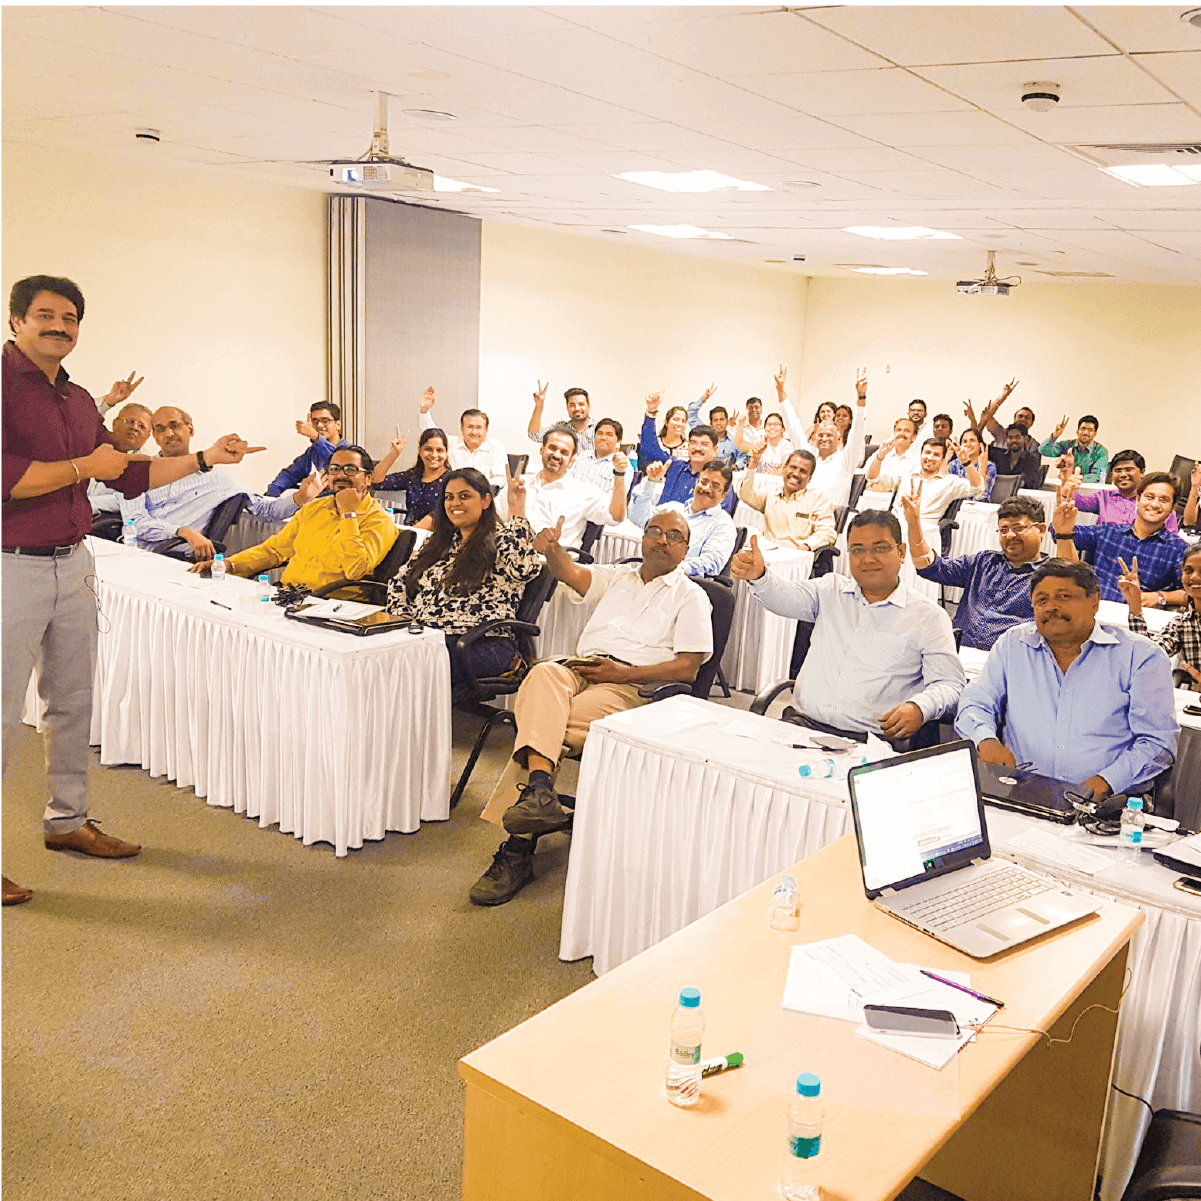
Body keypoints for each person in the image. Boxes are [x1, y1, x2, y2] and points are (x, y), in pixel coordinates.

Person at [2, 273, 262, 906]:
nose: (59, 326)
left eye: (69, 318)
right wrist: (82, 468)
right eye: (45, 316)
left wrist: (205, 459)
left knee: (71, 702)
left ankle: (67, 821)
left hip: (74, 561)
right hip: (11, 566)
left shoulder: (80, 398)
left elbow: (129, 477)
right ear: (16, 322)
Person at [469, 507, 712, 905]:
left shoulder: (692, 597)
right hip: (580, 668)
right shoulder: (619, 576)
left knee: (544, 728)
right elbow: (572, 574)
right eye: (655, 531)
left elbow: (688, 667)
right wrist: (550, 550)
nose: (662, 540)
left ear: (686, 548)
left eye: (674, 536)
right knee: (541, 674)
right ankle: (541, 792)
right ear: (643, 538)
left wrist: (622, 674)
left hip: (632, 684)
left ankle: (517, 847)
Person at [731, 511, 965, 741]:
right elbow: (782, 596)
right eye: (857, 550)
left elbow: (951, 684)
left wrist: (920, 707)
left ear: (901, 551)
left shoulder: (928, 616)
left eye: (880, 548)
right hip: (803, 728)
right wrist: (760, 576)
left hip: (870, 742)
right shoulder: (830, 591)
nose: (868, 558)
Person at [955, 559, 1177, 800]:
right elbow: (976, 700)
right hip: (1020, 792)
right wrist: (985, 739)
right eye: (1042, 600)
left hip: (1105, 805)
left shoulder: (1139, 655)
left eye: (1063, 597)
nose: (1051, 607)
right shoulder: (1013, 644)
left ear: (1095, 601)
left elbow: (1158, 742)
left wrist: (1104, 783)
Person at [385, 467, 542, 698]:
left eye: (464, 496)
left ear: (486, 500)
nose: (455, 503)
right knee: (376, 655)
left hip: (479, 643)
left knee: (404, 664)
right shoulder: (440, 542)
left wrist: (517, 511)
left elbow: (525, 568)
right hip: (427, 636)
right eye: (449, 497)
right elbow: (399, 581)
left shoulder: (501, 540)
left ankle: (415, 731)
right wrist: (403, 619)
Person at [190, 445, 397, 592]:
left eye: (351, 469)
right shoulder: (314, 508)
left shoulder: (379, 521)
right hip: (290, 598)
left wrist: (349, 515)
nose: (341, 475)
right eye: (334, 469)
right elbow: (274, 550)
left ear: (368, 478)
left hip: (333, 607)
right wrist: (228, 565)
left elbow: (356, 571)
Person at [119, 406, 311, 557]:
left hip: (170, 558)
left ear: (190, 429)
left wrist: (301, 496)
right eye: (160, 429)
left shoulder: (215, 479)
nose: (168, 434)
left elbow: (265, 510)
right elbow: (133, 521)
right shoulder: (139, 470)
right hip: (128, 550)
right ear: (154, 436)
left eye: (175, 425)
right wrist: (182, 531)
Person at [905, 494, 1049, 651]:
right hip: (958, 654)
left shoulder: (1049, 577)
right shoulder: (984, 562)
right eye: (1003, 530)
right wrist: (913, 523)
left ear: (1041, 530)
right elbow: (930, 567)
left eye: (1018, 528)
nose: (1010, 535)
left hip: (1009, 662)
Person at [1053, 472, 1187, 607]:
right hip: (1095, 612)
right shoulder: (1109, 532)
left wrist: (1160, 597)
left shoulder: (1178, 549)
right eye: (1149, 497)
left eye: (1164, 500)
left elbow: (1193, 592)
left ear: (1172, 507)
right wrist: (1063, 527)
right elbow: (1059, 534)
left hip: (1140, 621)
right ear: (1138, 499)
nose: (1155, 504)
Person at [497, 427, 626, 549]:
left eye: (564, 452)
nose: (556, 455)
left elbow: (616, 517)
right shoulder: (519, 484)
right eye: (552, 448)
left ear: (571, 460)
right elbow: (494, 517)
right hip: (510, 560)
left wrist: (619, 474)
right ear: (542, 450)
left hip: (552, 565)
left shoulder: (582, 492)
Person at [1118, 540, 1201, 691]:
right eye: (1188, 570)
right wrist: (1135, 605)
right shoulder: (1182, 623)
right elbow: (1148, 654)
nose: (1194, 577)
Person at [877, 437, 985, 548]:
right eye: (927, 453)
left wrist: (966, 463)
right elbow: (873, 478)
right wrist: (879, 457)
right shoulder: (906, 475)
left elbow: (978, 488)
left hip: (925, 533)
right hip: (894, 529)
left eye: (936, 455)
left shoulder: (950, 482)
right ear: (920, 454)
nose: (930, 458)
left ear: (943, 459)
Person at [786, 369, 868, 507]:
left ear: (838, 437)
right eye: (821, 435)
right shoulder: (809, 457)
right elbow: (793, 427)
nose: (824, 439)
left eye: (829, 435)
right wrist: (782, 393)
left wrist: (861, 397)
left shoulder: (846, 460)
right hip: (802, 514)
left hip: (829, 520)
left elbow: (858, 431)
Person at [629, 425, 736, 522]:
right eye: (693, 443)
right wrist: (651, 413)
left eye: (704, 444)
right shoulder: (675, 466)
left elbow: (719, 519)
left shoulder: (719, 481)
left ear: (714, 450)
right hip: (660, 527)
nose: (697, 448)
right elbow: (650, 447)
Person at [738, 449, 836, 553]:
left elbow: (827, 531)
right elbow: (745, 494)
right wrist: (753, 464)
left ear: (810, 477)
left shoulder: (818, 499)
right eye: (793, 467)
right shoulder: (770, 493)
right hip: (766, 554)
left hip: (795, 557)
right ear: (784, 468)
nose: (796, 474)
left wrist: (807, 545)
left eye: (803, 471)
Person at [417, 384, 508, 487]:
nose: (474, 432)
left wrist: (476, 487)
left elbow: (501, 479)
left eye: (478, 427)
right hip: (453, 496)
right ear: (462, 428)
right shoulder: (451, 443)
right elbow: (431, 433)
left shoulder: (496, 446)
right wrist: (424, 411)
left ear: (486, 430)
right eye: (469, 427)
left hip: (483, 496)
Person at [1074, 449, 1183, 533]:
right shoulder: (1103, 497)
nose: (1123, 474)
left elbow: (1172, 543)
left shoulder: (1156, 505)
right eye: (1118, 470)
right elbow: (1071, 500)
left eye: (1128, 470)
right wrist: (1066, 478)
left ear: (1142, 472)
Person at [659, 461, 737, 578]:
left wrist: (678, 569)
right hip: (655, 573)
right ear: (696, 483)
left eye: (715, 486)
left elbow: (712, 563)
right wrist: (651, 482)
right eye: (703, 482)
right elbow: (638, 516)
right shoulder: (673, 508)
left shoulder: (723, 524)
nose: (706, 489)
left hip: (685, 583)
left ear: (723, 495)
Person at [265, 401, 349, 496]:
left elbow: (337, 459)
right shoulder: (313, 451)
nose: (319, 425)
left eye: (325, 421)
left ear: (338, 425)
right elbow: (291, 474)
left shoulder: (353, 451)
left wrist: (316, 437)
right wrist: (272, 494)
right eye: (315, 422)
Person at [372, 426, 450, 528]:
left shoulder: (451, 480)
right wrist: (394, 454)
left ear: (447, 453)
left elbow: (442, 513)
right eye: (428, 449)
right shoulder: (413, 476)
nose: (434, 455)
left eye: (439, 450)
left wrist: (413, 532)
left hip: (437, 538)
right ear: (420, 451)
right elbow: (376, 480)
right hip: (410, 534)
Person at [88, 401, 153, 514]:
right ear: (114, 424)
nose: (135, 428)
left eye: (141, 426)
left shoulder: (148, 466)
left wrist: (85, 504)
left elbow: (127, 500)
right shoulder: (91, 439)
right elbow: (82, 417)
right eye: (130, 422)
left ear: (148, 436)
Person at [527, 381, 595, 454]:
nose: (577, 408)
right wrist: (539, 405)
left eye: (581, 404)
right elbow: (534, 435)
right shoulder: (561, 428)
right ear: (567, 407)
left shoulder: (599, 429)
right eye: (572, 405)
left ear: (588, 406)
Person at [686, 386, 745, 466]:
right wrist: (703, 399)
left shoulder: (734, 441)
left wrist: (736, 467)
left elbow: (743, 456)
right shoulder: (703, 434)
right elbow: (690, 413)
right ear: (711, 423)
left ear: (727, 421)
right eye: (715, 420)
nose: (718, 423)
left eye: (721, 419)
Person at [1040, 414, 1109, 483]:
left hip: (1089, 490)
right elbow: (1043, 450)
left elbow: (1097, 476)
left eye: (1090, 430)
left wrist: (1071, 477)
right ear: (1077, 431)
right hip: (1067, 487)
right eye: (1083, 429)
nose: (1085, 433)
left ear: (1095, 433)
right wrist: (1055, 436)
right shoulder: (1068, 445)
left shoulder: (1102, 451)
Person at [570, 417, 626, 493]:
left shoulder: (622, 466)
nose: (603, 438)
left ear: (618, 440)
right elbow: (568, 481)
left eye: (609, 435)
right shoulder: (583, 456)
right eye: (599, 433)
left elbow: (616, 500)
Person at [864, 416, 920, 491]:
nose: (902, 433)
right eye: (899, 430)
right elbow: (867, 476)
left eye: (907, 431)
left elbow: (911, 486)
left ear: (914, 437)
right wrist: (879, 458)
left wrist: (889, 490)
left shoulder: (918, 458)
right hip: (872, 495)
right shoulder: (883, 451)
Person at [986, 421, 1043, 491]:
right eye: (1010, 437)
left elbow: (1030, 483)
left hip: (1021, 497)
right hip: (998, 493)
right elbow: (979, 446)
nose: (1014, 440)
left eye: (1017, 437)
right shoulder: (998, 455)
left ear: (1025, 439)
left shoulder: (1033, 459)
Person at [639, 393, 690, 463]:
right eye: (676, 419)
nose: (679, 424)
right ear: (666, 422)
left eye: (683, 421)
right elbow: (648, 445)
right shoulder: (654, 443)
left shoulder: (690, 447)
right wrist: (651, 411)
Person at [947, 427, 996, 499]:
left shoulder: (989, 466)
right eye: (965, 441)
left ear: (980, 445)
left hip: (977, 508)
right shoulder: (953, 465)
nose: (968, 444)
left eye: (972, 440)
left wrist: (982, 468)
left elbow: (981, 498)